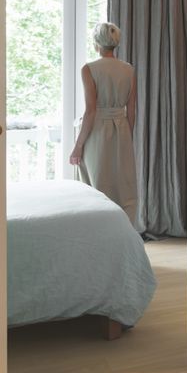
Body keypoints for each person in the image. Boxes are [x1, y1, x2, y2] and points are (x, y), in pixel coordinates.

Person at [70, 22, 139, 227]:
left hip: (98, 131)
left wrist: (78, 146)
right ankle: (125, 234)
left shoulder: (89, 69)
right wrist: (128, 135)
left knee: (97, 184)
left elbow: (91, 111)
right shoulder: (129, 70)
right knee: (124, 187)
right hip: (122, 128)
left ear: (97, 43)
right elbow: (132, 109)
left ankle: (99, 233)